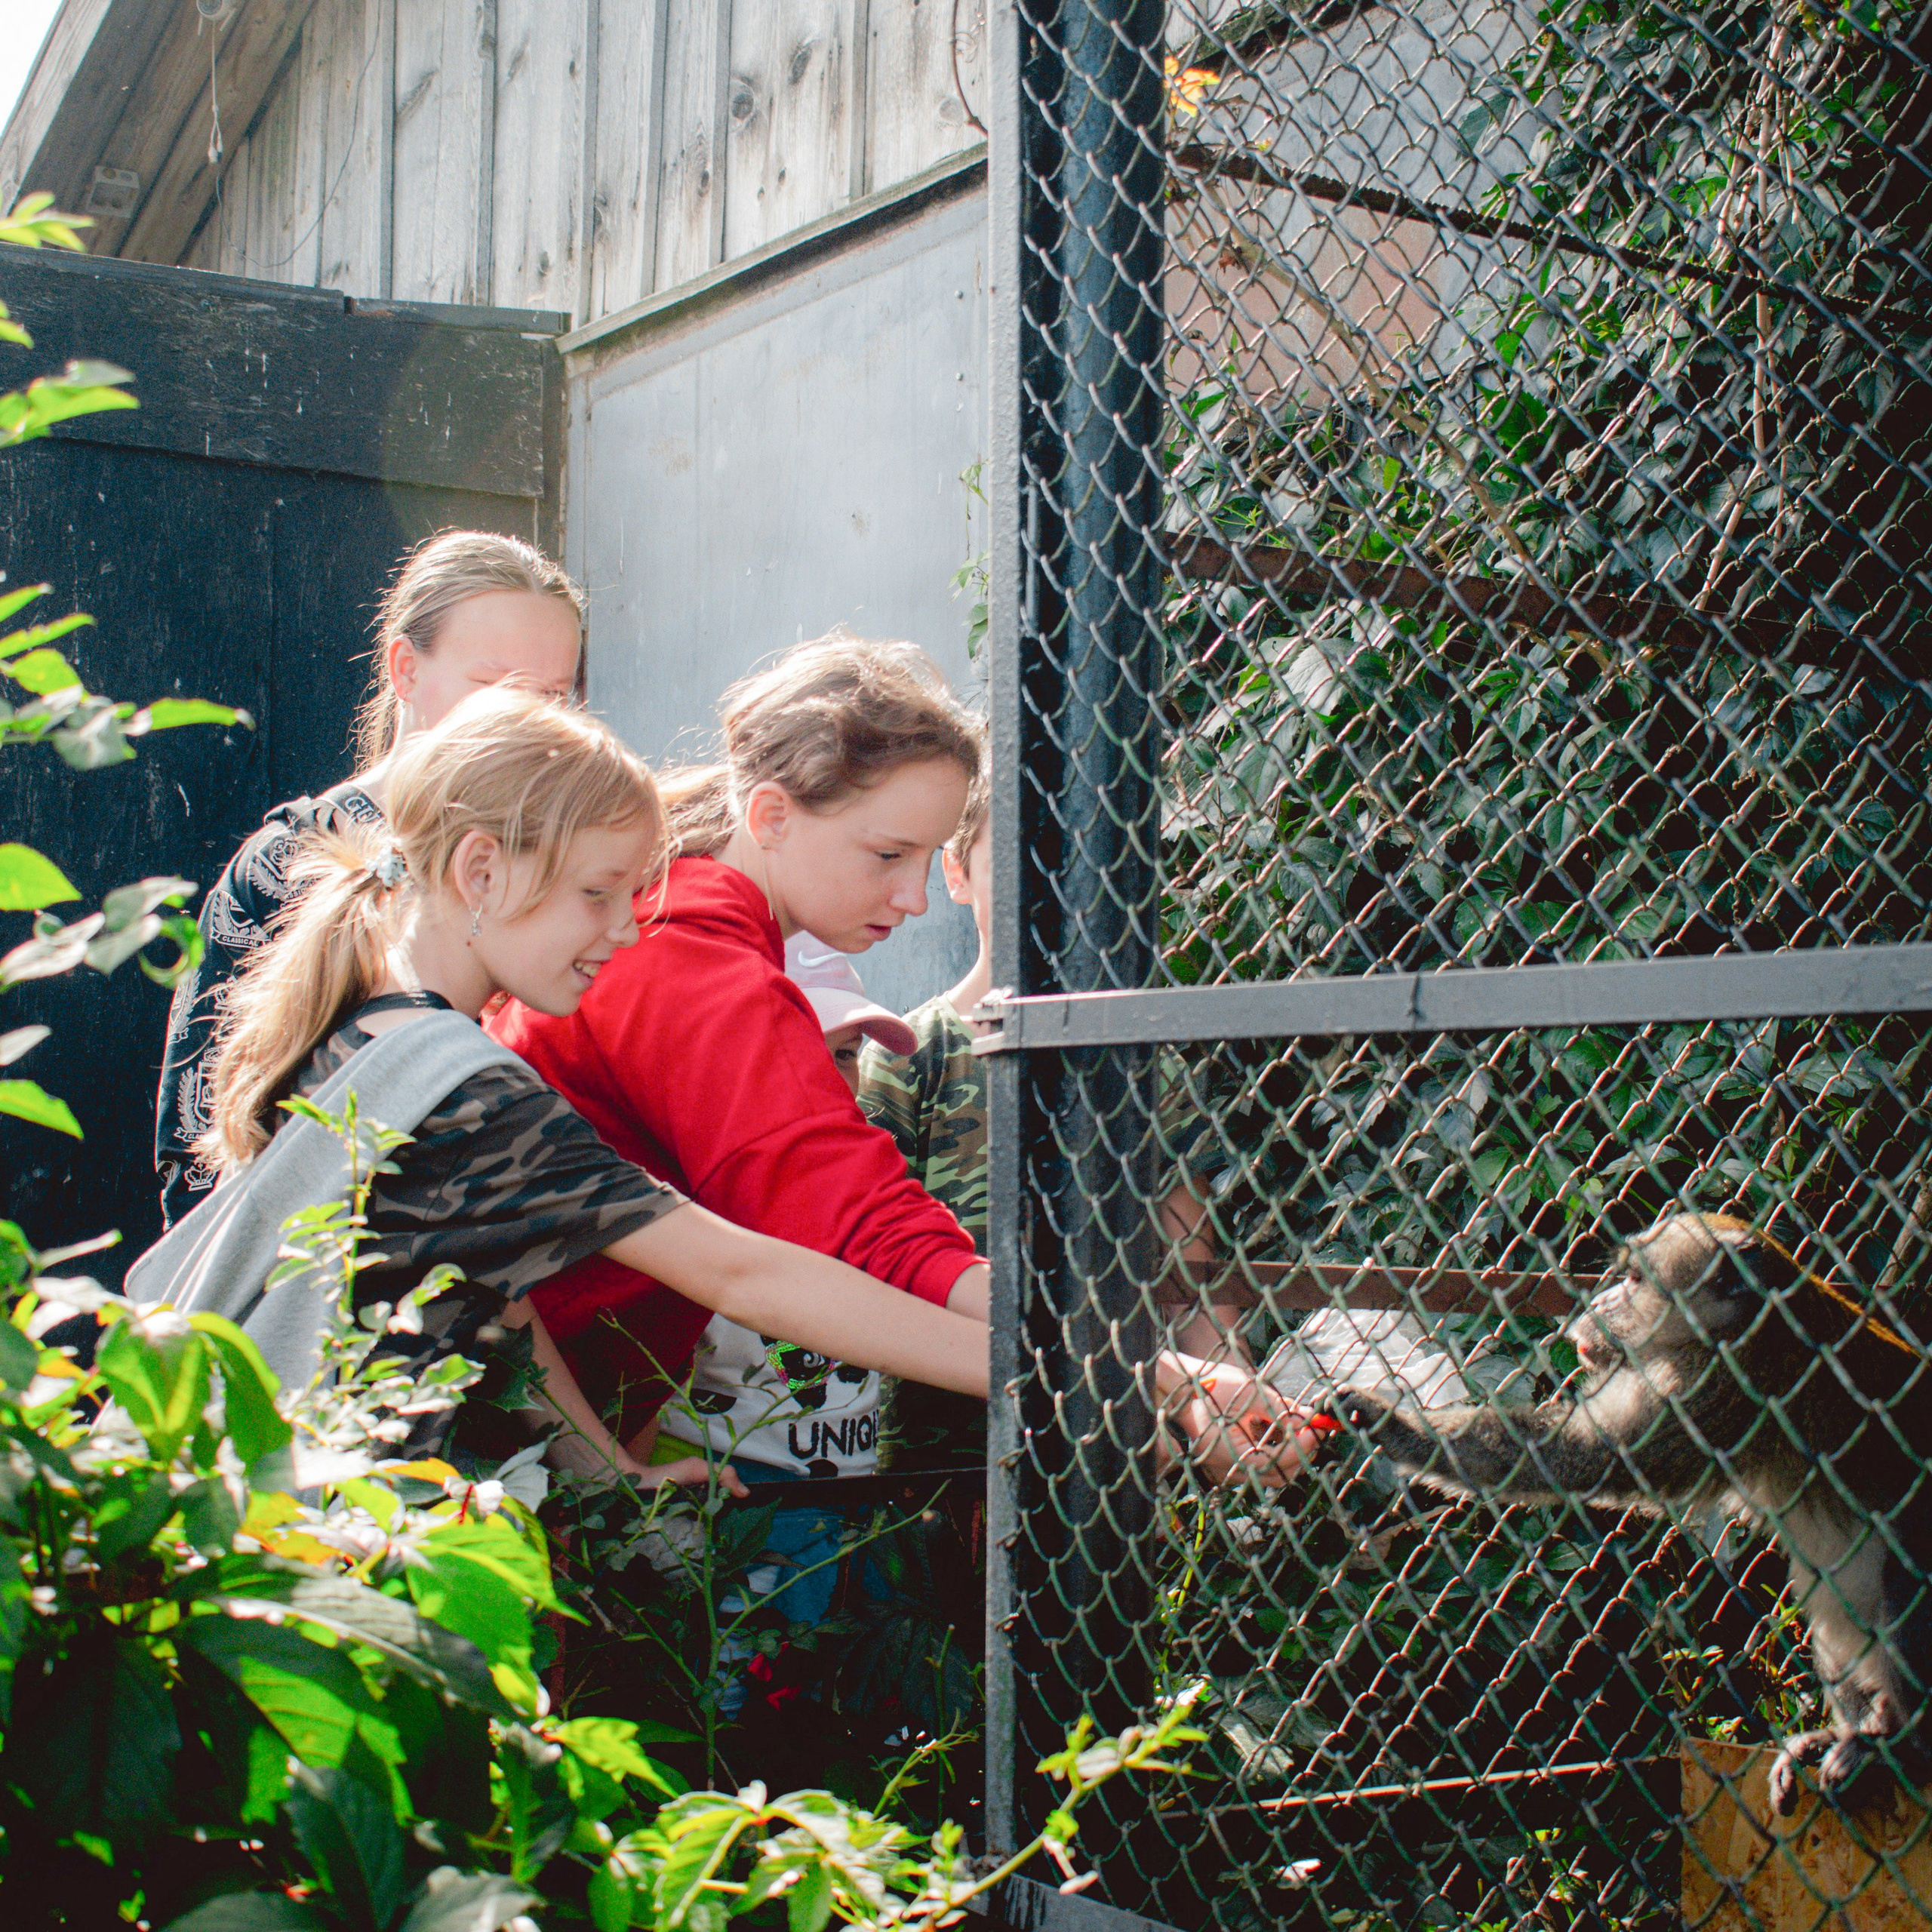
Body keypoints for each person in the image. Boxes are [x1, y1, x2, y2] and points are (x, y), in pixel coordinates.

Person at [491, 632, 1299, 1480]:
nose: (914, 898)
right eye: (887, 855)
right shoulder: (696, 965)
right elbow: (860, 1232)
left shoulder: (689, 928)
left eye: (924, 858)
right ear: (770, 816)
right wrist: (1125, 1370)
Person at [186, 685, 989, 1483]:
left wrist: (608, 1471)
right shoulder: (474, 1097)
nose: (626, 929)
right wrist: (1029, 1362)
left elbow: (499, 1295)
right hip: (389, 1525)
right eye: (598, 893)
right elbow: (745, 1276)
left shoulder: (375, 1033)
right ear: (481, 873)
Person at [860, 761, 1302, 1475]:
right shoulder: (910, 1055)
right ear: (957, 873)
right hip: (943, 1449)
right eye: (1018, 858)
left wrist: (1228, 1394)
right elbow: (872, 1264)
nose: (1046, 885)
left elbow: (1191, 1261)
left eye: (1071, 859)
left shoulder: (1142, 1066)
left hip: (1114, 1442)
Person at [154, 529, 585, 1224]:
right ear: (406, 670)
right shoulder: (286, 865)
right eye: (494, 688)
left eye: (555, 696)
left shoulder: (572, 876)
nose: (527, 722)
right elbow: (198, 1146)